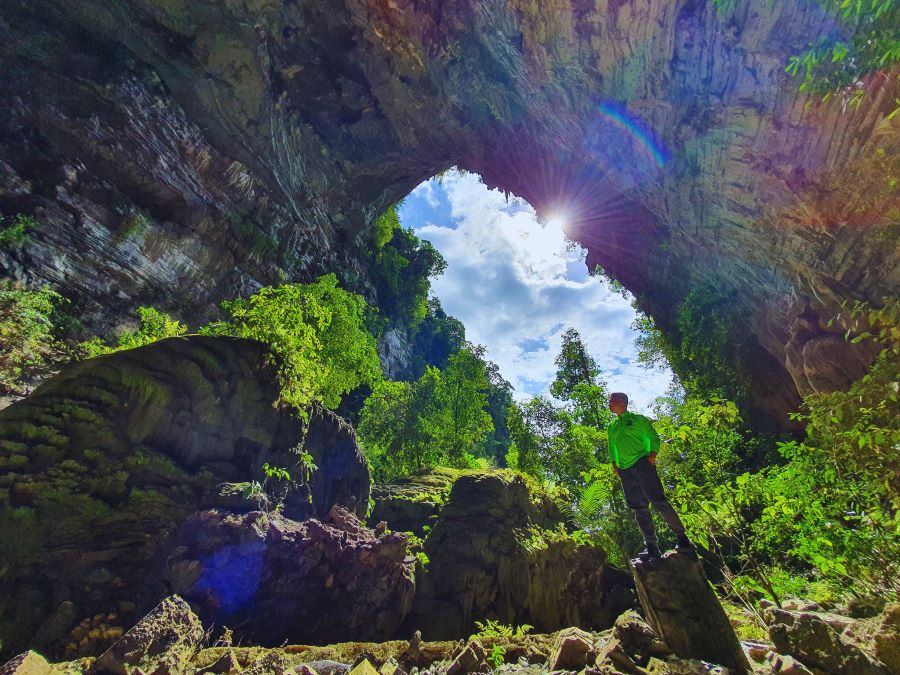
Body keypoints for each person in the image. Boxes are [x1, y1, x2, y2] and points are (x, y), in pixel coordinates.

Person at [607, 392, 692, 558]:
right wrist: (614, 465)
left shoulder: (639, 419)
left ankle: (682, 537)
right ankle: (652, 546)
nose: (609, 403)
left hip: (642, 464)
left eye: (611, 401)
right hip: (625, 471)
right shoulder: (612, 426)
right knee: (639, 509)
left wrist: (652, 455)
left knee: (659, 501)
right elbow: (612, 447)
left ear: (621, 402)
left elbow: (653, 437)